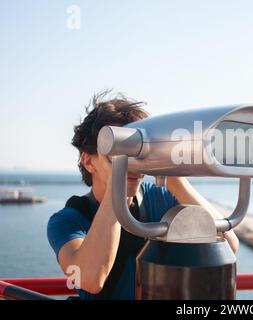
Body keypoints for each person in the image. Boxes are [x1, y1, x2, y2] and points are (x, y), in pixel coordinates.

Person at [47, 91, 239, 299]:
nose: (132, 163)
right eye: (118, 151)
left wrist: (173, 175)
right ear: (89, 162)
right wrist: (116, 184)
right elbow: (90, 280)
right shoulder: (67, 221)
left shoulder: (162, 197)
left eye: (137, 150)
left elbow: (228, 245)